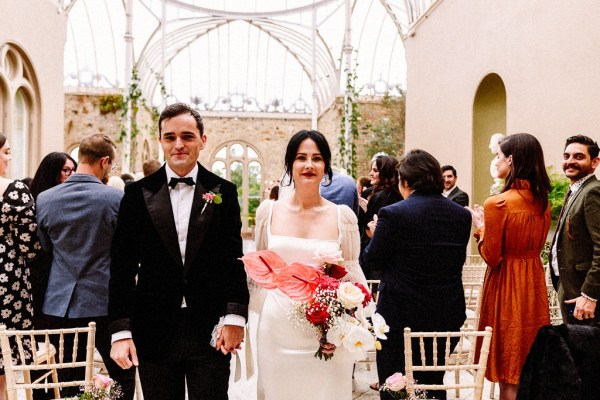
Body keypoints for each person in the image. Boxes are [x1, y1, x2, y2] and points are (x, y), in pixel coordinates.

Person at [109, 103, 249, 400]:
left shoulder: (223, 190)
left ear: (202, 140)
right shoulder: (136, 194)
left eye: (187, 136)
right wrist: (121, 331)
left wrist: (236, 316)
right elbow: (121, 266)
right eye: (170, 137)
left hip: (211, 328)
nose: (179, 144)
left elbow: (233, 257)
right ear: (161, 140)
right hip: (153, 328)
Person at [249, 130, 367, 400]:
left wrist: (347, 328)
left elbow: (352, 277)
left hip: (326, 335)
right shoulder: (268, 213)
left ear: (326, 165)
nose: (309, 165)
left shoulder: (342, 217)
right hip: (276, 330)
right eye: (301, 157)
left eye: (317, 158)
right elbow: (259, 269)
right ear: (290, 164)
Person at [360, 149, 470, 400]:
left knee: (394, 382)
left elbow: (372, 260)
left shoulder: (394, 214)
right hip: (446, 314)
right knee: (432, 382)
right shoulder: (461, 216)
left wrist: (375, 234)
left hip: (399, 315)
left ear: (406, 181)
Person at [36, 135, 135, 399]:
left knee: (69, 378)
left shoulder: (45, 199)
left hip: (60, 304)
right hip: (106, 301)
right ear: (104, 162)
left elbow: (45, 247)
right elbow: (126, 251)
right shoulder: (116, 199)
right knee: (123, 372)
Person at [468, 133, 551, 400]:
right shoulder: (543, 202)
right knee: (528, 355)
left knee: (508, 363)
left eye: (498, 156)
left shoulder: (498, 203)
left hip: (506, 285)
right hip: (534, 284)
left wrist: (481, 228)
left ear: (511, 160)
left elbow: (492, 257)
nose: (495, 161)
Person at [0, 133, 40, 400]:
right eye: (6, 152)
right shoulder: (14, 190)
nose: (9, 158)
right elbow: (29, 243)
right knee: (5, 353)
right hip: (7, 278)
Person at [550, 135, 600, 324]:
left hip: (585, 297)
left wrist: (590, 295)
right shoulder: (575, 191)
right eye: (567, 156)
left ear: (594, 162)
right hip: (571, 290)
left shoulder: (593, 192)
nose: (570, 161)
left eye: (578, 157)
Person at [29, 152, 77, 326]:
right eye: (66, 170)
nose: (71, 176)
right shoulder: (36, 200)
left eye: (73, 170)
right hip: (39, 272)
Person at [358, 155, 403, 276]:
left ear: (386, 173)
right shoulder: (397, 194)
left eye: (376, 171)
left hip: (376, 256)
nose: (371, 174)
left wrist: (367, 217)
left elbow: (369, 229)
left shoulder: (382, 196)